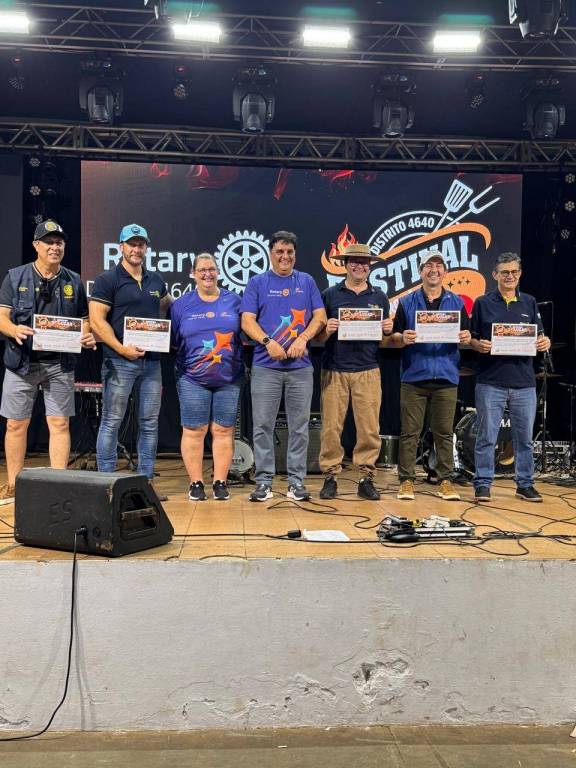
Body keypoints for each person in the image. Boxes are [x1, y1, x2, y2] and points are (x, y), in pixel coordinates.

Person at [0, 219, 96, 504]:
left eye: (59, 243)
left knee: (60, 423)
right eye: (48, 242)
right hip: (21, 363)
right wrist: (14, 330)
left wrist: (86, 335)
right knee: (16, 424)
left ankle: (58, 484)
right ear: (36, 246)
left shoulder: (73, 280)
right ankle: (14, 484)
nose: (55, 247)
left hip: (59, 364)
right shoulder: (15, 277)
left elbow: (84, 319)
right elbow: (2, 317)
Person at [240, 231, 327, 502]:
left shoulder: (306, 281)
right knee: (263, 426)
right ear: (271, 253)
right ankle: (263, 482)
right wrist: (268, 342)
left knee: (299, 427)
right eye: (279, 251)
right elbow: (247, 321)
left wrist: (303, 338)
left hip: (300, 368)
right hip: (265, 367)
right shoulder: (257, 282)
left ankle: (296, 482)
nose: (285, 257)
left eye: (289, 252)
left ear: (295, 255)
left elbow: (320, 317)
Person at [89, 224, 172, 488]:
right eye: (131, 244)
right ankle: (106, 483)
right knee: (112, 421)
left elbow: (167, 307)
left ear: (146, 248)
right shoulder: (107, 280)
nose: (136, 249)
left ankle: (146, 481)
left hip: (152, 363)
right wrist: (121, 348)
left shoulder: (156, 281)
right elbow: (97, 320)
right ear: (121, 247)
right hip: (119, 361)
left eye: (141, 244)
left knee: (149, 423)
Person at [470, 252, 550, 503]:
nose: (509, 276)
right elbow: (471, 338)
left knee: (524, 439)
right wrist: (477, 345)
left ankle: (525, 484)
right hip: (490, 381)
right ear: (495, 275)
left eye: (514, 271)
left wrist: (544, 342)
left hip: (524, 383)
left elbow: (540, 336)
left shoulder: (529, 302)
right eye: (504, 272)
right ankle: (483, 484)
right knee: (486, 437)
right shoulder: (482, 303)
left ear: (520, 274)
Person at [392, 250, 471, 502]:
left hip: (446, 377)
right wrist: (402, 338)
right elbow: (394, 336)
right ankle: (406, 480)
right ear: (421, 271)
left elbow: (467, 336)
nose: (433, 270)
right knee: (409, 433)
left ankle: (445, 480)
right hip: (414, 376)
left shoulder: (457, 302)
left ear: (445, 272)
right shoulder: (407, 302)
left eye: (438, 265)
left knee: (444, 433)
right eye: (428, 265)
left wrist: (467, 337)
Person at [316, 243, 393, 501]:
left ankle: (366, 478)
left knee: (369, 429)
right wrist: (326, 329)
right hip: (334, 369)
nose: (359, 266)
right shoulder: (330, 295)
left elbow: (384, 341)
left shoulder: (379, 297)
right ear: (345, 264)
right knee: (331, 428)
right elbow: (316, 338)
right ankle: (330, 477)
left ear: (370, 266)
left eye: (364, 262)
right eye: (354, 261)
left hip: (368, 369)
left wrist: (387, 330)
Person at [171, 253, 243, 501]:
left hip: (229, 378)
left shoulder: (234, 301)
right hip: (192, 378)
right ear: (193, 274)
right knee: (194, 430)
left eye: (211, 269)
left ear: (218, 272)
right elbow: (175, 341)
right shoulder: (181, 305)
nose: (207, 274)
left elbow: (244, 335)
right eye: (202, 270)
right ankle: (196, 483)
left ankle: (220, 482)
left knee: (223, 430)